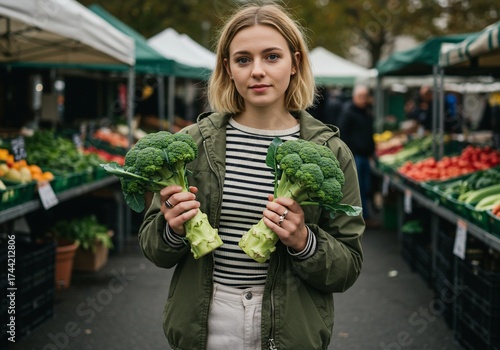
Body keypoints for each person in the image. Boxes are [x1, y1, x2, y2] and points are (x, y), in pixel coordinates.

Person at [137, 2, 364, 349]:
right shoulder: (191, 144)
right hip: (204, 325)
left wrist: (305, 241)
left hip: (289, 328)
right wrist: (172, 229)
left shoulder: (332, 153)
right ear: (228, 68)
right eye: (243, 59)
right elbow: (154, 250)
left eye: (272, 56)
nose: (257, 70)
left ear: (295, 63)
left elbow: (347, 266)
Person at [337, 85, 379, 229]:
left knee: (366, 188)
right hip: (355, 157)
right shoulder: (348, 112)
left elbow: (368, 133)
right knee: (358, 189)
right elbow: (342, 136)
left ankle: (363, 217)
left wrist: (372, 151)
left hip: (365, 157)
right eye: (360, 97)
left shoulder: (366, 112)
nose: (363, 99)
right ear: (354, 97)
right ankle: (360, 218)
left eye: (365, 97)